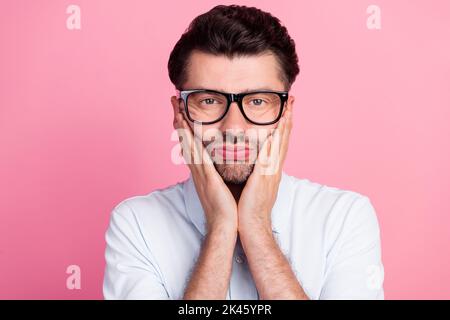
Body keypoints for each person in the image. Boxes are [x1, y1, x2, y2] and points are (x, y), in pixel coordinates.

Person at [103, 4, 384, 300]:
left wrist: (256, 226)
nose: (234, 128)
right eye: (209, 100)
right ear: (179, 113)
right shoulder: (136, 223)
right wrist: (221, 228)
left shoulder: (344, 218)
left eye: (258, 102)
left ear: (286, 111)